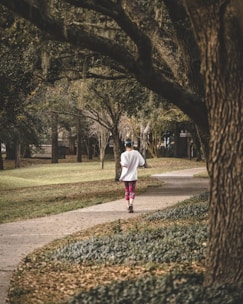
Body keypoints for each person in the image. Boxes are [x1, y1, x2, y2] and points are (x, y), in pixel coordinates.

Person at [119, 139, 145, 213]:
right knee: (132, 190)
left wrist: (121, 163)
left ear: (125, 145)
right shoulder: (136, 153)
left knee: (127, 190)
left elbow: (125, 164)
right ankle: (131, 204)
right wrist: (136, 164)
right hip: (133, 175)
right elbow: (142, 162)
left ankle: (128, 205)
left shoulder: (123, 154)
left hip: (125, 175)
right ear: (132, 145)